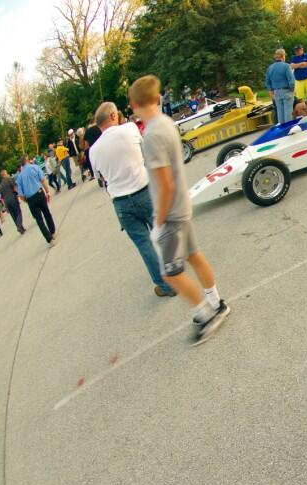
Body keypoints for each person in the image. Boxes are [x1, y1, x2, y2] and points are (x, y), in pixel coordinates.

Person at [129, 75, 230, 345]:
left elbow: (164, 185)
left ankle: (206, 314)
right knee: (194, 256)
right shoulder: (165, 123)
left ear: (136, 104)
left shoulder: (151, 135)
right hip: (181, 208)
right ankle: (215, 301)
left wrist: (159, 223)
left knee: (170, 273)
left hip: (171, 214)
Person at [90, 102, 177, 298]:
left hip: (121, 202)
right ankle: (176, 270)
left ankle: (165, 285)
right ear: (113, 116)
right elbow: (145, 152)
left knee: (143, 243)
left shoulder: (93, 151)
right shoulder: (129, 129)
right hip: (143, 190)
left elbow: (100, 178)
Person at [15, 155, 56, 246]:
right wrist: (47, 192)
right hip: (39, 193)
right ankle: (52, 231)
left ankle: (49, 239)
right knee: (46, 213)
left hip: (30, 199)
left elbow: (21, 195)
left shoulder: (19, 177)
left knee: (39, 220)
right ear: (26, 160)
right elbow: (42, 180)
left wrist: (27, 201)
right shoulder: (34, 167)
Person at [265, 48, 295, 125]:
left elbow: (268, 82)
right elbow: (291, 81)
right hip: (286, 91)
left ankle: (282, 129)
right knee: (288, 112)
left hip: (276, 92)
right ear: (282, 56)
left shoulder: (270, 68)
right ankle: (288, 129)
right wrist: (292, 90)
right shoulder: (286, 66)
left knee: (280, 113)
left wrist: (271, 91)